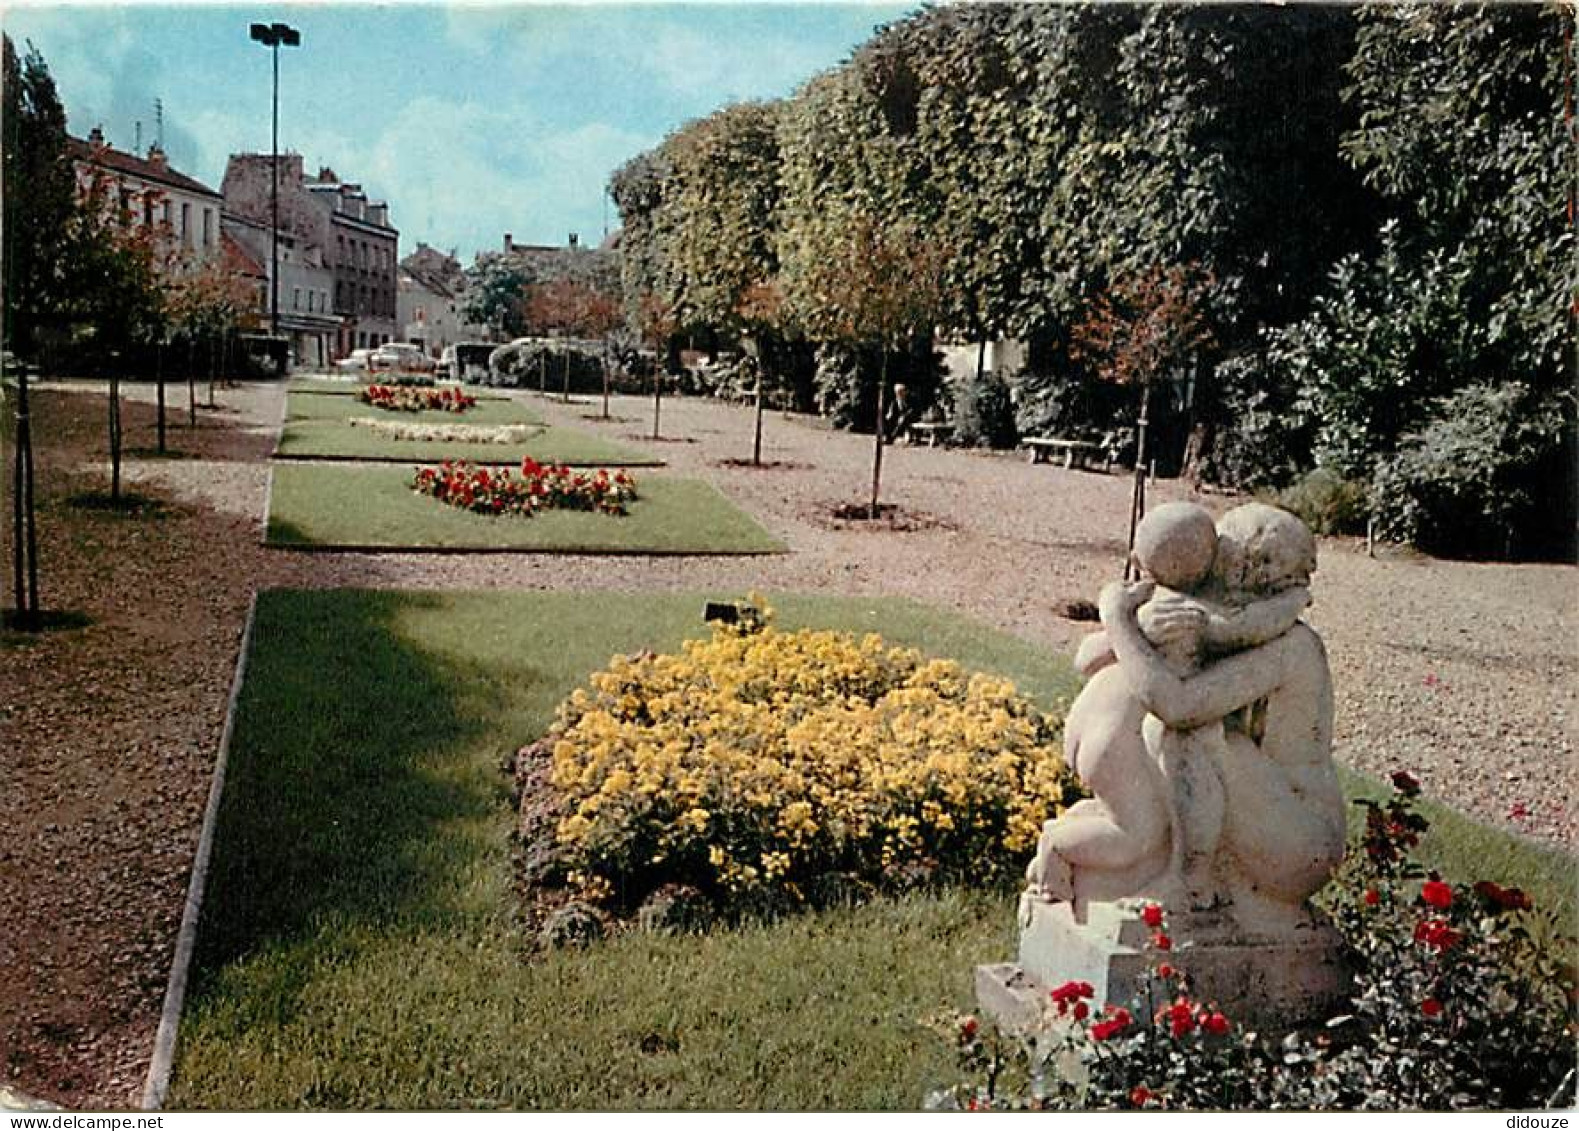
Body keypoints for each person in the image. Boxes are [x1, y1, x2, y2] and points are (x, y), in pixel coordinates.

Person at [1027, 503, 1310, 912]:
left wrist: (1118, 615)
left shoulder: (1155, 603)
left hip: (1092, 725)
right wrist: (1293, 601)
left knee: (1145, 806)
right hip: (1118, 741)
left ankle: (1091, 845)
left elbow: (1087, 658)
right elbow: (1180, 705)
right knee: (1138, 832)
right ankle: (1175, 874)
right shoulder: (1201, 616)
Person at [1097, 503, 1347, 934]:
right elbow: (1090, 661)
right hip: (1265, 809)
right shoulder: (1225, 628)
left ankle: (1191, 886)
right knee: (1162, 718)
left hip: (1300, 843)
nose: (1206, 573)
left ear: (1250, 570)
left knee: (1189, 730)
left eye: (1220, 561)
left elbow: (1179, 705)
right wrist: (1140, 630)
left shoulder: (1292, 647)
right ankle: (1165, 858)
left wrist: (1118, 619)